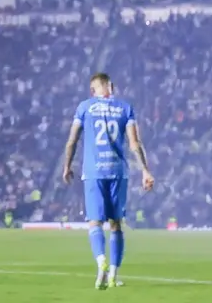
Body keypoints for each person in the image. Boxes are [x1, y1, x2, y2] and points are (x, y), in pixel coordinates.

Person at [62, 72, 155, 290]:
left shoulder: (84, 107)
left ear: (93, 90)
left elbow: (72, 140)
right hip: (118, 171)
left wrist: (67, 166)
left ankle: (100, 262)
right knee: (116, 225)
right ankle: (113, 275)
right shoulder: (125, 108)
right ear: (110, 87)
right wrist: (145, 171)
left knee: (94, 222)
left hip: (94, 172)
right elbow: (135, 143)